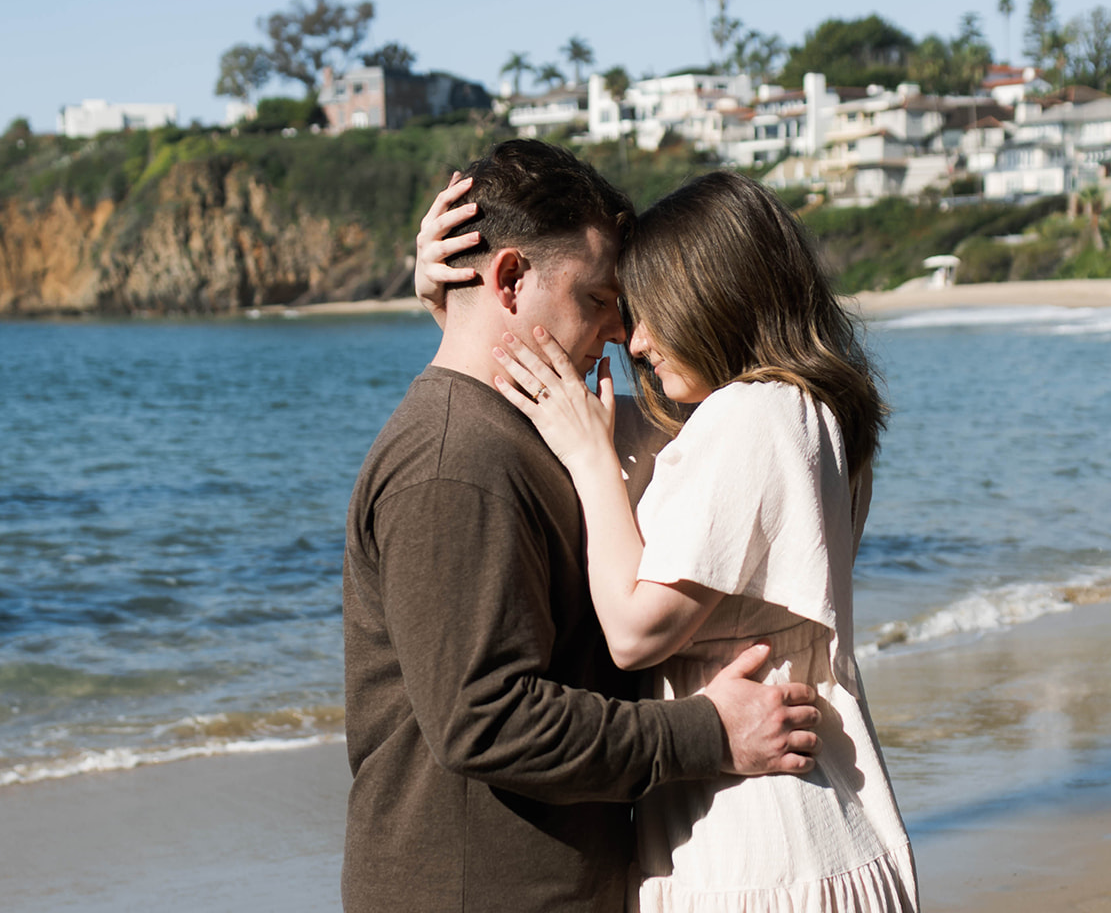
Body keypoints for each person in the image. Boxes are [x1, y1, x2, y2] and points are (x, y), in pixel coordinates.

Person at [343, 140, 822, 913]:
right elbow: (486, 720)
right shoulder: (453, 462)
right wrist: (704, 733)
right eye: (597, 299)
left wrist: (446, 306)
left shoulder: (541, 430)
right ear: (508, 280)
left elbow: (721, 440)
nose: (618, 333)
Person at [484, 169, 920, 912]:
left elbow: (632, 630)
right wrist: (449, 301)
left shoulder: (752, 418)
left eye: (653, 314)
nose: (637, 342)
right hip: (813, 821)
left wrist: (589, 460)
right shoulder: (812, 415)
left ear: (717, 297)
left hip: (757, 842)